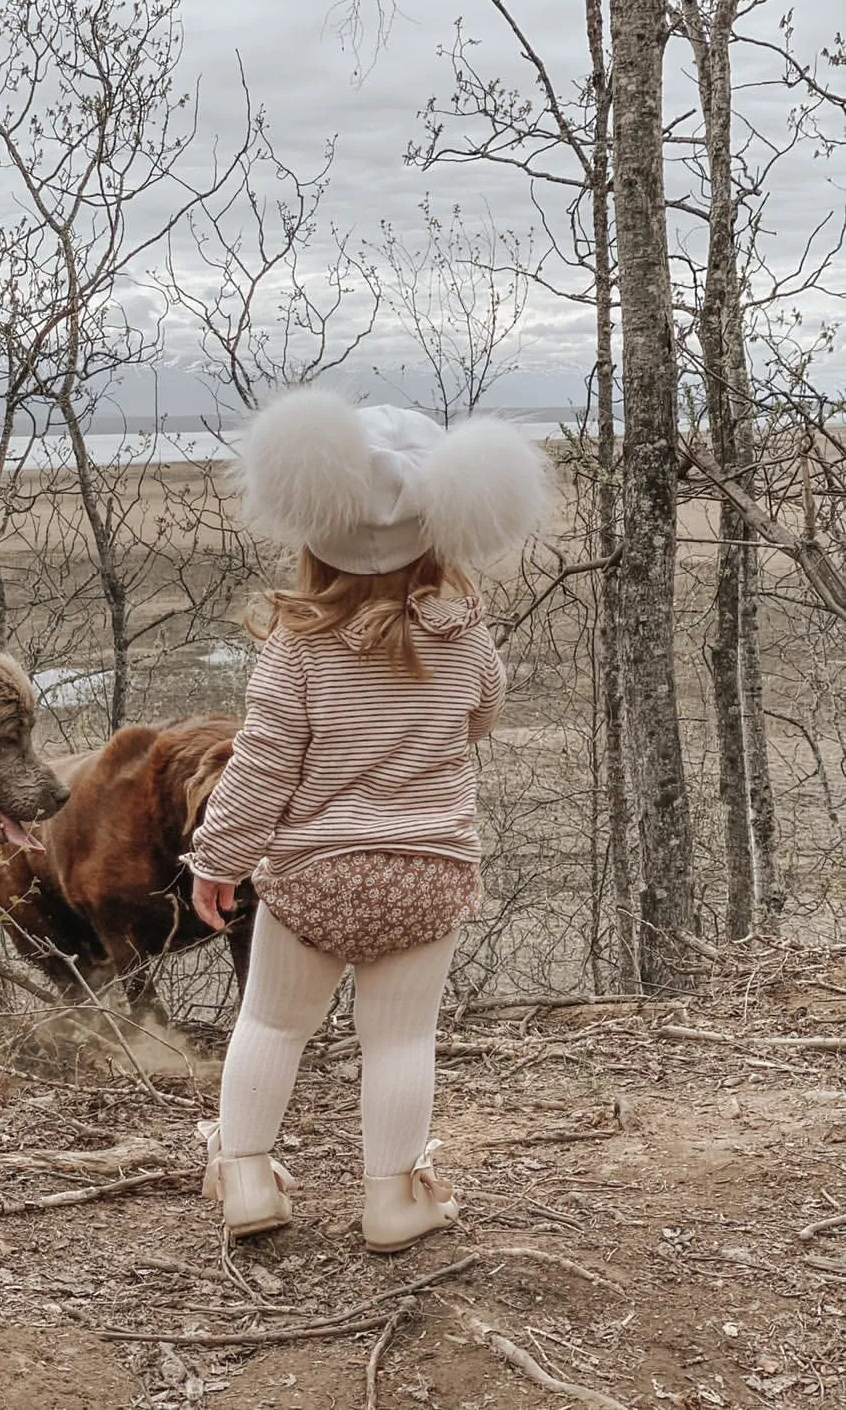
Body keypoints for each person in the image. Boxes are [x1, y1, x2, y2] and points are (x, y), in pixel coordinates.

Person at [183, 385, 551, 1253]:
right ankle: (392, 1200)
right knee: (399, 1042)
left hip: (314, 874)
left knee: (272, 1024)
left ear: (316, 530)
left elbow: (265, 761)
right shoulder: (466, 638)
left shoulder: (298, 646)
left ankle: (245, 1179)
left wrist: (217, 859)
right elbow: (481, 714)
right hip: (426, 873)